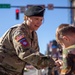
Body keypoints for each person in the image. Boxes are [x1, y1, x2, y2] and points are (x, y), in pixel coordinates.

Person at [0, 6, 55, 75]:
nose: (39, 23)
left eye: (41, 20)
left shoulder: (33, 34)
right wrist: (51, 62)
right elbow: (25, 53)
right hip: (3, 69)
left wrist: (53, 61)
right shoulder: (19, 32)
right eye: (36, 19)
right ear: (26, 18)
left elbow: (35, 54)